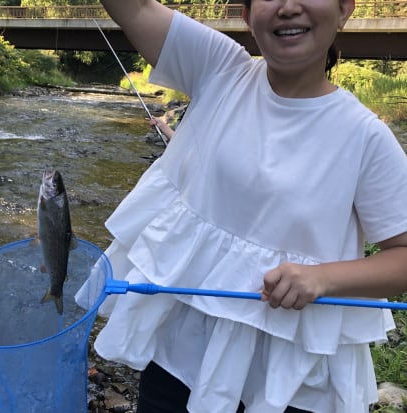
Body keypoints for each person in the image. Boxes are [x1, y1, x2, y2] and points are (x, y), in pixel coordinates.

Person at [79, 1, 407, 412]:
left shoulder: (367, 138)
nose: (289, 7)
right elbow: (137, 8)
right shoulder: (219, 67)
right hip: (180, 357)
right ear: (249, 17)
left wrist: (323, 278)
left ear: (344, 10)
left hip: (288, 380)